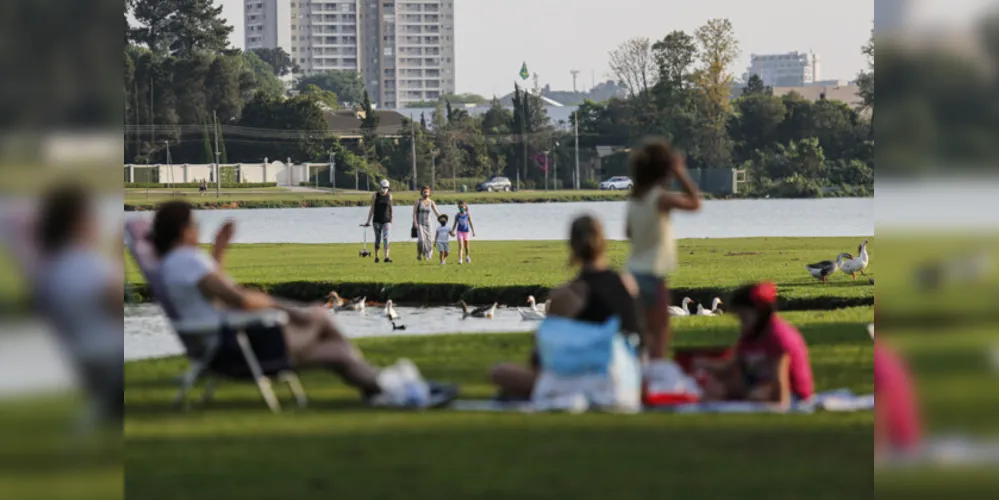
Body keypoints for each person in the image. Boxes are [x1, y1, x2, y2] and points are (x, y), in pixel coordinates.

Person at [150, 201, 446, 406]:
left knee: (337, 351)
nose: (197, 229)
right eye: (194, 224)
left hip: (225, 345)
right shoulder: (186, 260)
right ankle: (395, 388)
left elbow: (214, 296)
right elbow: (237, 298)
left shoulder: (175, 264)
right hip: (236, 348)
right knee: (320, 318)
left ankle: (383, 389)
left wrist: (218, 253)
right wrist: (287, 309)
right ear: (183, 230)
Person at [490, 215, 642, 400]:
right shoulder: (628, 284)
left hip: (583, 381)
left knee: (500, 372)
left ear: (572, 246)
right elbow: (640, 338)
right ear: (604, 242)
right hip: (625, 381)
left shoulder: (566, 294)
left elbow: (540, 358)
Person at [34, 184, 123, 426]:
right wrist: (117, 259)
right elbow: (117, 306)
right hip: (109, 360)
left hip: (84, 359)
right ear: (78, 223)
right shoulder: (86, 264)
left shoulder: (52, 267)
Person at [625, 138, 701, 388]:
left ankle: (637, 381)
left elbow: (628, 232)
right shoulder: (661, 198)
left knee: (640, 334)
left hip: (631, 273)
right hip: (653, 275)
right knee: (660, 334)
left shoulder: (634, 200)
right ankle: (654, 384)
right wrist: (681, 173)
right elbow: (695, 203)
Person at [696, 282, 814, 408]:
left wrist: (779, 409)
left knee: (756, 395)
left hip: (792, 396)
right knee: (716, 388)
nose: (741, 322)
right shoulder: (750, 335)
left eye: (744, 317)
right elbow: (732, 366)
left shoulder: (778, 337)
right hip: (758, 387)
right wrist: (705, 365)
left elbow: (780, 383)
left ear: (760, 313)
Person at [364, 179, 394, 263]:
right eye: (384, 187)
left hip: (386, 220)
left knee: (386, 238)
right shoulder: (375, 195)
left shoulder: (389, 196)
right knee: (377, 238)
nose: (385, 189)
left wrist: (391, 218)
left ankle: (386, 257)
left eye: (387, 187)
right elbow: (372, 208)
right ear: (380, 187)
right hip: (376, 220)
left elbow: (390, 208)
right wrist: (368, 221)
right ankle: (377, 257)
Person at [412, 186, 441, 261]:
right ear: (422, 192)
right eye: (424, 192)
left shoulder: (431, 202)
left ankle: (427, 255)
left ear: (430, 193)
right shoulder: (418, 201)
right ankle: (419, 253)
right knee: (421, 240)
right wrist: (415, 222)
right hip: (420, 224)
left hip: (428, 224)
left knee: (428, 241)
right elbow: (414, 213)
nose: (426, 193)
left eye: (427, 192)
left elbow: (436, 212)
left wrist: (442, 218)